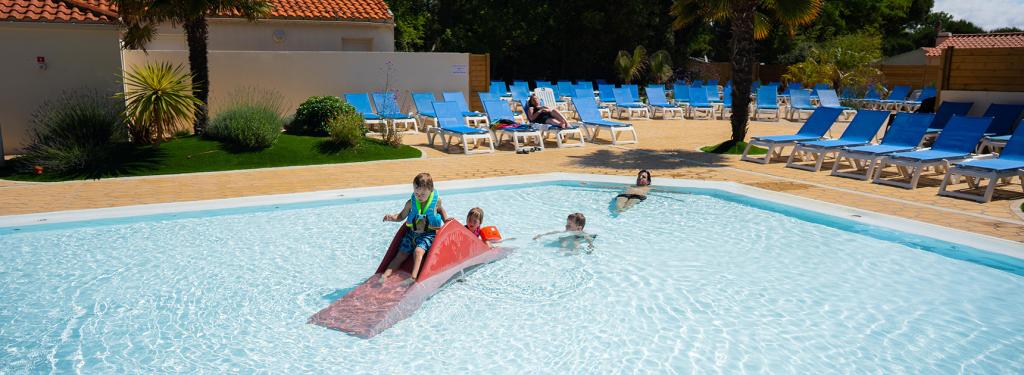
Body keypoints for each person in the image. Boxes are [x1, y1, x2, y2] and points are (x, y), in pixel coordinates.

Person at [381, 173, 451, 284]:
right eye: (416, 193)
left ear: (430, 190)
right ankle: (385, 275)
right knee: (400, 254)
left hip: (428, 235)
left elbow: (440, 210)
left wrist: (446, 219)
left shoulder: (436, 202)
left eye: (423, 194)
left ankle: (413, 277)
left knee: (418, 251)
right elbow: (401, 216)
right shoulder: (410, 203)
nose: (419, 196)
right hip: (411, 234)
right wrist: (391, 218)